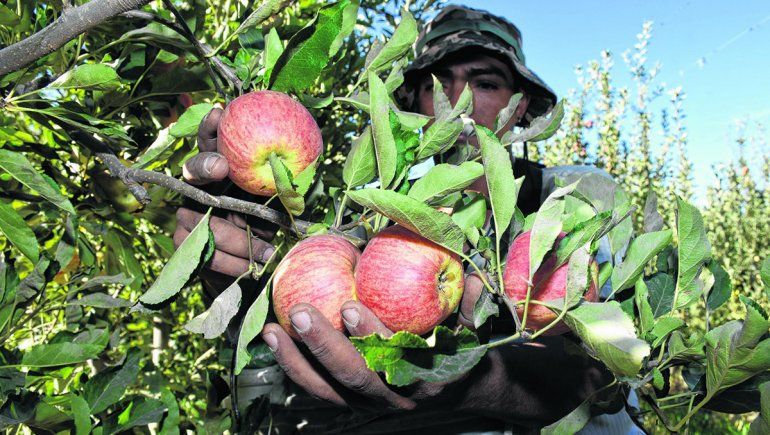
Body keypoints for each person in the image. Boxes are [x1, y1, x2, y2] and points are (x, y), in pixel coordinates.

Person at [174, 5, 643, 433]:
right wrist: (239, 254)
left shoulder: (574, 199)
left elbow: (610, 372)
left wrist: (461, 376)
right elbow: (288, 321)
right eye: (438, 83)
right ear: (415, 101)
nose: (457, 101)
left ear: (519, 106)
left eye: (485, 83)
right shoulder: (370, 220)